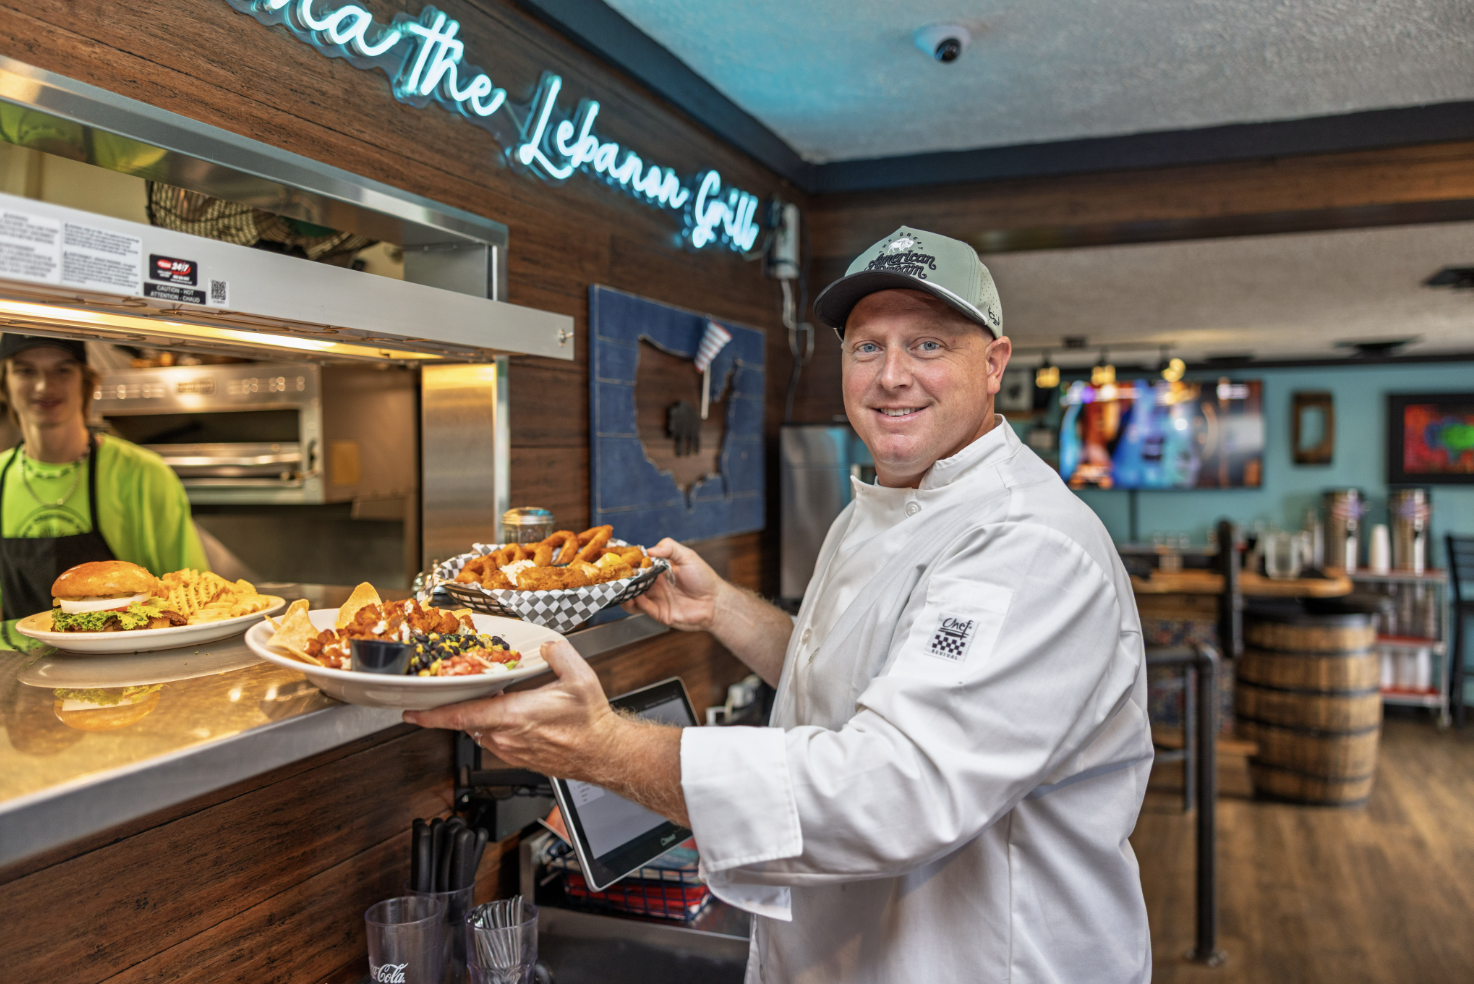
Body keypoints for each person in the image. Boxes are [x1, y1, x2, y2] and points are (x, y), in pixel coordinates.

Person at [407, 226, 1152, 983]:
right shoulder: (875, 507)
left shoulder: (1027, 545)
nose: (891, 375)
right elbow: (853, 673)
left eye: (927, 345)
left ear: (993, 364)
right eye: (867, 347)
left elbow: (892, 793)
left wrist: (601, 747)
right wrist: (722, 609)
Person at [0, 334, 208, 623]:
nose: (44, 386)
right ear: (4, 383)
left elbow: (194, 596)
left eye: (62, 370)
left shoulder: (144, 475)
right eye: (25, 370)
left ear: (85, 382)